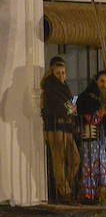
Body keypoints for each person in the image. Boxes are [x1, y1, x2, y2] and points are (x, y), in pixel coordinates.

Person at [39, 56, 80, 203]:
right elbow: (60, 107)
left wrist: (71, 108)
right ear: (52, 72)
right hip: (55, 127)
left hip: (67, 127)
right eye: (58, 73)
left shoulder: (65, 87)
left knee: (75, 159)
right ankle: (64, 192)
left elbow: (71, 106)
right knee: (59, 160)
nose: (61, 76)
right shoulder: (50, 86)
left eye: (63, 72)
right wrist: (69, 108)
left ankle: (66, 187)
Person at [75, 71, 106, 202]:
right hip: (88, 137)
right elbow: (77, 107)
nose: (104, 84)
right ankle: (88, 193)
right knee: (89, 164)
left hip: (101, 138)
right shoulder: (86, 96)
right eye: (102, 81)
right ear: (96, 81)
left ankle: (100, 193)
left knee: (101, 164)